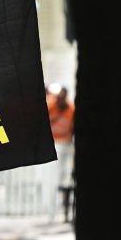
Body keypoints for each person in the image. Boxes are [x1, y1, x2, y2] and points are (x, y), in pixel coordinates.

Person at [47, 84, 75, 222]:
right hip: (55, 145)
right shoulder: (52, 105)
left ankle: (63, 212)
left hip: (65, 146)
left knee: (64, 180)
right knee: (54, 180)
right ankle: (52, 212)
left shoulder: (70, 108)